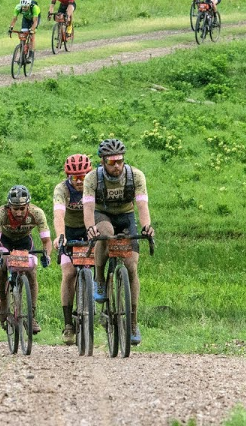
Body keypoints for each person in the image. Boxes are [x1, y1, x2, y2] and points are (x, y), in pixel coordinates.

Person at [83, 138, 155, 346]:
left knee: (132, 267)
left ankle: (132, 323)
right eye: (112, 162)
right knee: (105, 233)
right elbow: (88, 209)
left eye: (120, 161)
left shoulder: (136, 176)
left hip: (126, 217)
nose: (117, 166)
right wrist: (90, 228)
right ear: (103, 162)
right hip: (102, 215)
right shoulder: (92, 178)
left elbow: (142, 205)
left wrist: (147, 226)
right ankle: (99, 278)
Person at [0, 185, 52, 334]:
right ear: (9, 206)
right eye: (15, 208)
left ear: (28, 206)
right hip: (4, 241)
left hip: (24, 241)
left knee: (31, 273)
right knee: (1, 265)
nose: (18, 212)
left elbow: (47, 241)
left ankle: (31, 316)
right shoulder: (0, 214)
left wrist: (47, 255)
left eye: (22, 208)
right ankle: (3, 298)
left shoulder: (37, 213)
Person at [52, 154, 92, 344]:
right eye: (74, 177)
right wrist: (61, 236)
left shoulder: (94, 185)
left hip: (90, 229)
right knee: (68, 274)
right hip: (69, 231)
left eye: (83, 177)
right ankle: (68, 324)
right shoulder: (62, 189)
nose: (78, 181)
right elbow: (58, 214)